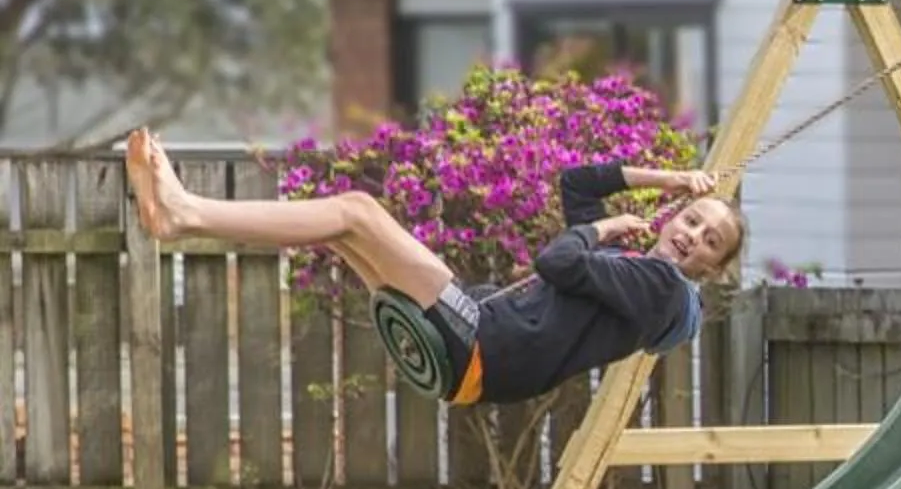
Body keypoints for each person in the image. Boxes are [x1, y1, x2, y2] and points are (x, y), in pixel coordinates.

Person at [123, 125, 740, 407]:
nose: (694, 236)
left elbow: (556, 260)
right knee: (340, 234)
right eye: (692, 219)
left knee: (358, 213)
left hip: (484, 343)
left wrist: (604, 226)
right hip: (476, 362)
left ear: (709, 270)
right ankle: (183, 216)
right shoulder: (634, 269)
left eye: (710, 241)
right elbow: (577, 181)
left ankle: (185, 213)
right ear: (674, 214)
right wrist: (672, 177)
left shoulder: (660, 287)